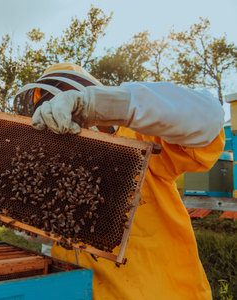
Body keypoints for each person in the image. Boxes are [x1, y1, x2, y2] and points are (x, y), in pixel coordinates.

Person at [14, 62, 224, 299]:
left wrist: (102, 105)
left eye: (67, 97)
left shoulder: (139, 139)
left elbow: (208, 117)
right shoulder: (54, 170)